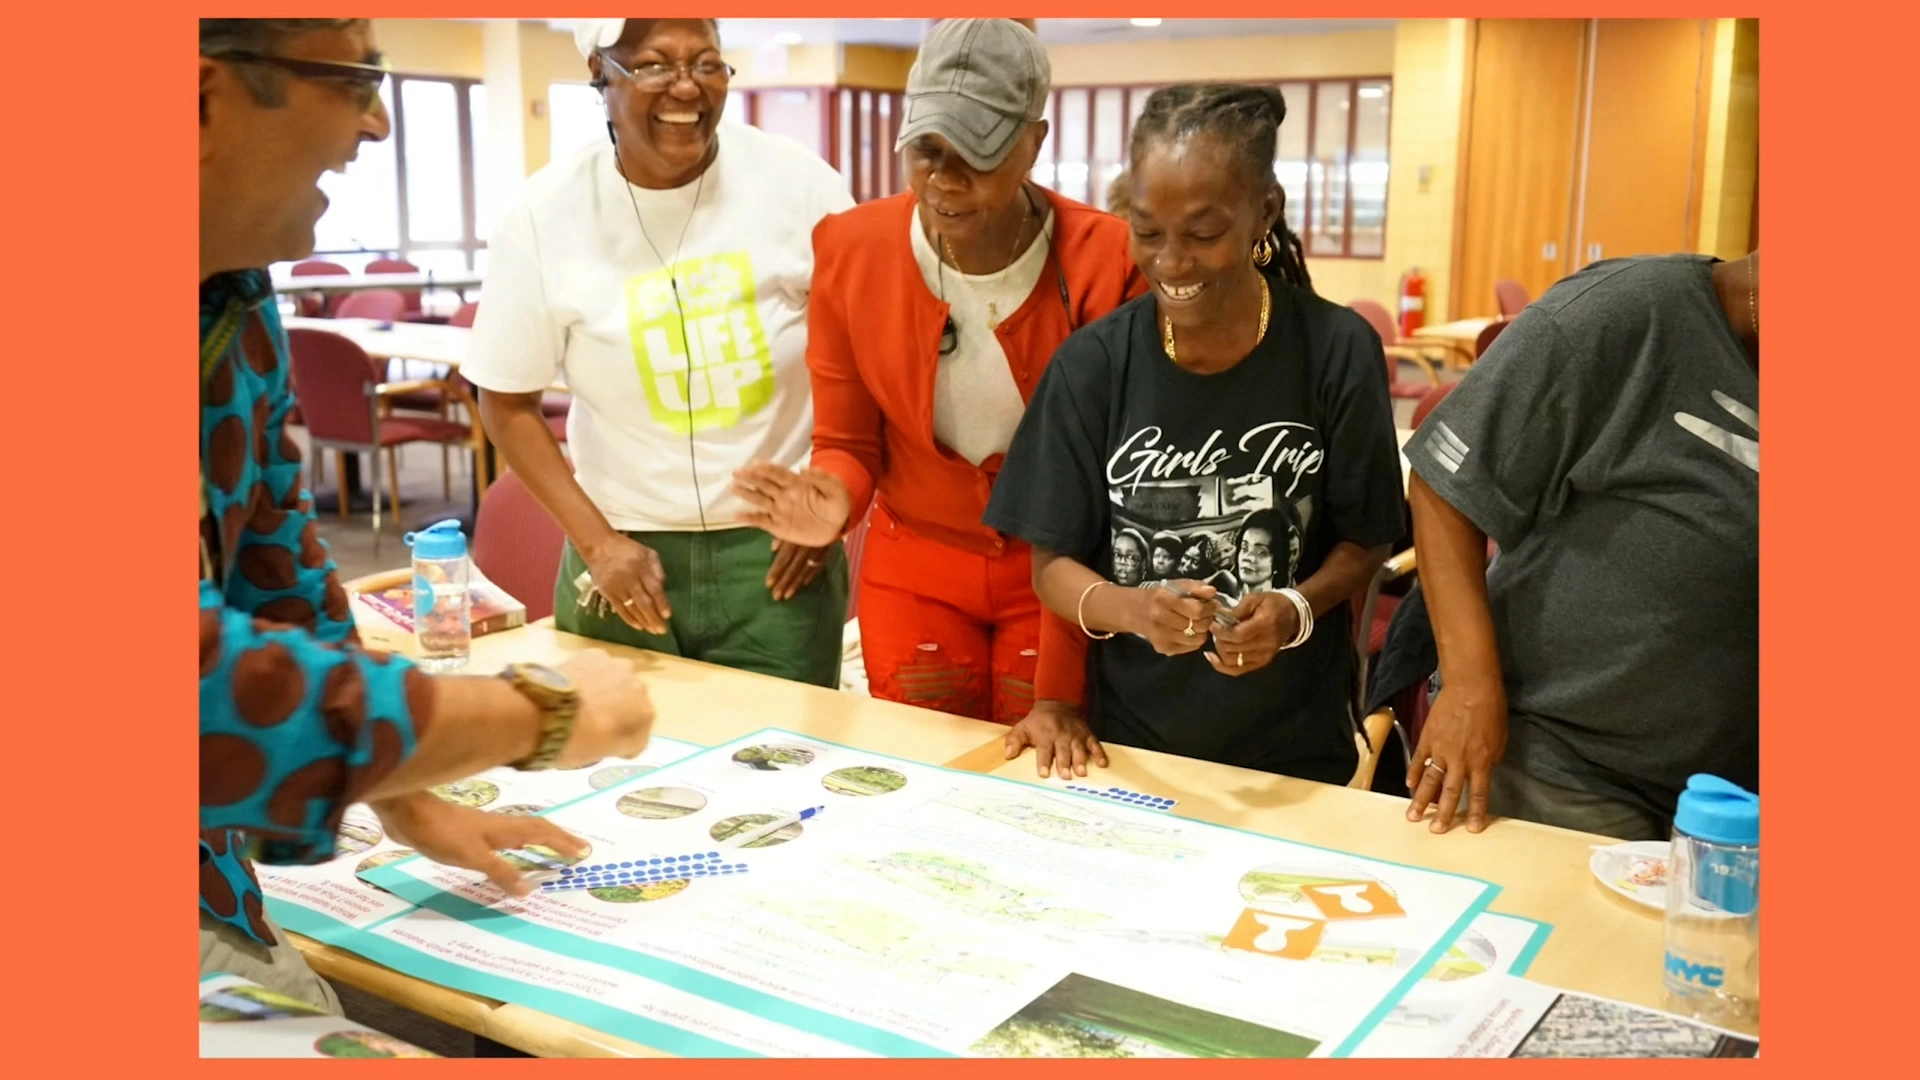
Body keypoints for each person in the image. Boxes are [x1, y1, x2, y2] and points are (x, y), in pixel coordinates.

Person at [199, 17, 656, 1011]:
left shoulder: (230, 285)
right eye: (353, 79)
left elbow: (279, 575)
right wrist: (541, 711)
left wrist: (403, 793)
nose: (375, 123)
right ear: (200, 98)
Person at [730, 19, 1146, 775]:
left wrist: (1061, 685)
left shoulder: (1107, 261)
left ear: (1033, 142)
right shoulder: (851, 250)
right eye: (926, 150)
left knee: (1046, 783)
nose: (945, 182)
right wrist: (833, 500)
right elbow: (849, 443)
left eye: (977, 155)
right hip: (914, 569)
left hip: (1058, 574)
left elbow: (1109, 483)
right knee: (917, 779)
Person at [983, 84, 1405, 784]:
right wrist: (1134, 610)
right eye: (1148, 233)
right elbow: (1051, 566)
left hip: (1295, 754)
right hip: (1130, 752)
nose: (1172, 263)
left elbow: (1367, 539)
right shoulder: (1093, 366)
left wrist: (1295, 609)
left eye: (1203, 235)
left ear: (1264, 211)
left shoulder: (1337, 350)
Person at [463, 17, 855, 688]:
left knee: (790, 750)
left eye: (706, 63)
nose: (686, 87)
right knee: (611, 746)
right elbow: (505, 400)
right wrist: (597, 543)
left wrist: (832, 499)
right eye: (653, 65)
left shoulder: (799, 185)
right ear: (600, 73)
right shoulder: (544, 214)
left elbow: (864, 360)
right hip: (620, 552)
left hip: (776, 558)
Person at [1401, 252, 1759, 838]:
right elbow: (1446, 483)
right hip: (1566, 764)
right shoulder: (1628, 312)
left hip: (1730, 795)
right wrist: (1467, 685)